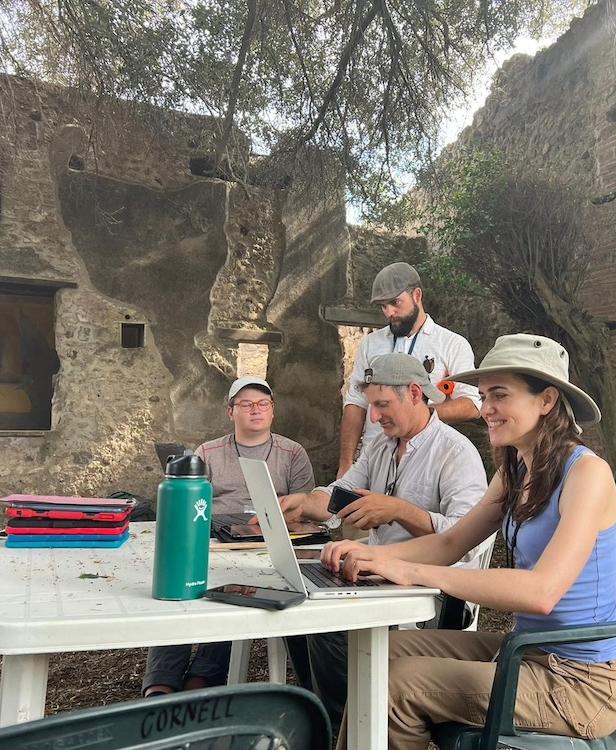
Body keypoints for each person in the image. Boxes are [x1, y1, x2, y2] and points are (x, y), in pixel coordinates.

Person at [322, 334, 616, 749]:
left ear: (547, 400)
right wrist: (372, 554)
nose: (485, 410)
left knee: (396, 683)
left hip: (579, 682)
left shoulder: (586, 474)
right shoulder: (516, 471)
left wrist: (410, 570)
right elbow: (451, 543)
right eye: (484, 397)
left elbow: (542, 593)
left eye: (499, 396)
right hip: (524, 651)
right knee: (378, 651)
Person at [280, 352, 488, 735]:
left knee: (327, 627)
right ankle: (335, 724)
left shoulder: (456, 453)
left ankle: (351, 729)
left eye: (381, 405)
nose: (373, 418)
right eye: (371, 406)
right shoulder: (381, 446)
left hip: (433, 591)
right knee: (295, 607)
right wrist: (303, 504)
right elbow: (340, 495)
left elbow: (467, 541)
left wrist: (400, 511)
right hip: (378, 576)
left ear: (414, 393)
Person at [142, 375, 315, 697]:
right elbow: (192, 502)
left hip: (267, 544)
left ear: (273, 410)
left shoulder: (292, 453)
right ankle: (162, 681)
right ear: (230, 412)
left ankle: (202, 679)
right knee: (177, 587)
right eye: (246, 404)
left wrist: (278, 517)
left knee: (232, 594)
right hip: (210, 537)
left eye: (263, 404)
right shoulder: (209, 451)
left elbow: (306, 508)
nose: (255, 410)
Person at [338, 261, 481, 477]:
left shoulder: (452, 344)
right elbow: (356, 403)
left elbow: (471, 405)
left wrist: (418, 416)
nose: (389, 313)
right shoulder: (371, 343)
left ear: (417, 295)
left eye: (395, 303)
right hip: (374, 459)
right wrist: (346, 464)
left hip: (427, 461)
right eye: (383, 306)